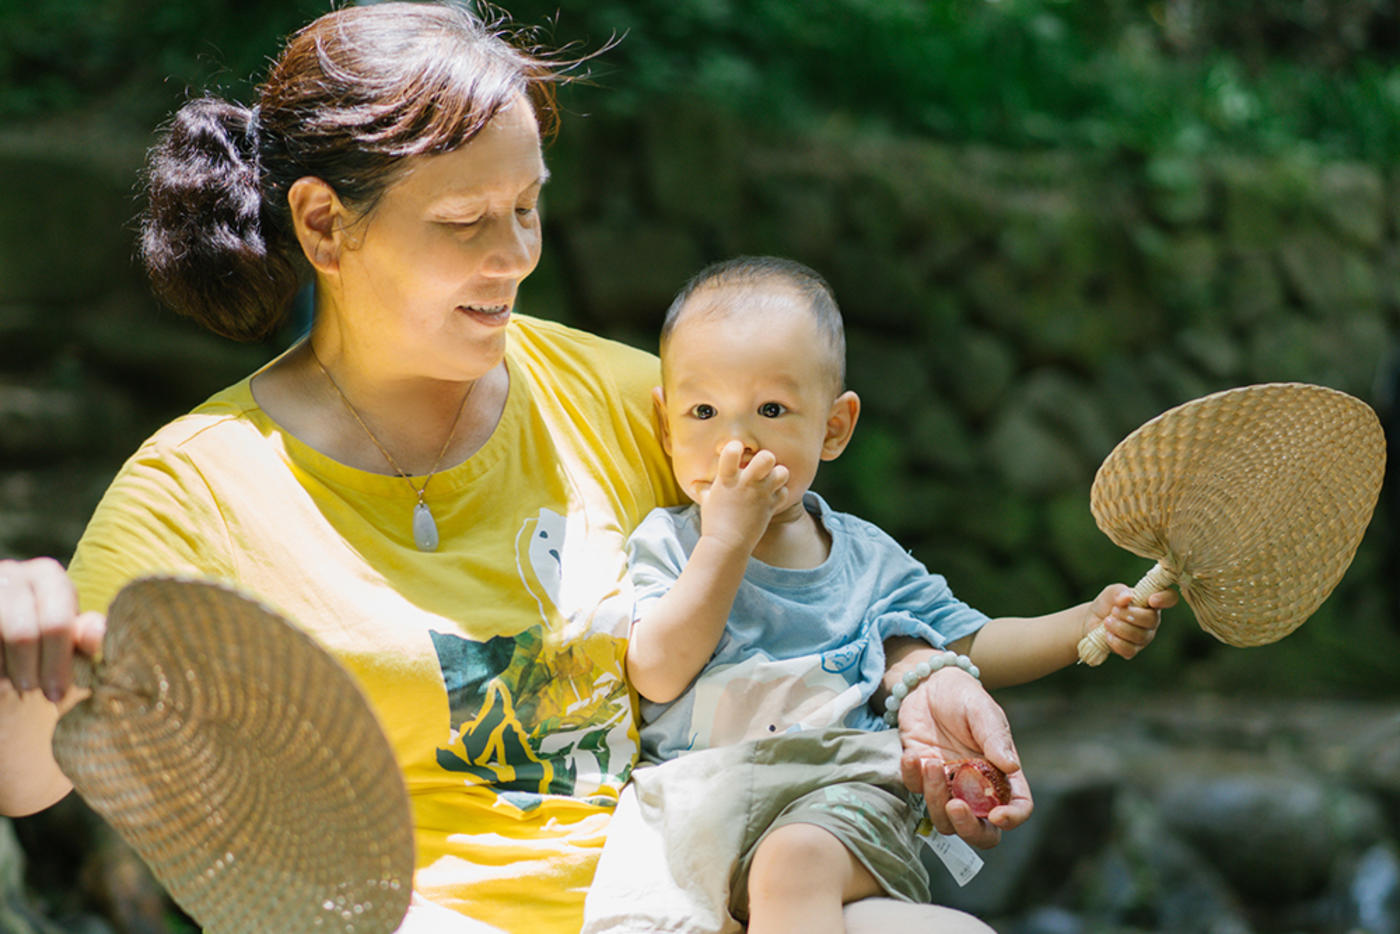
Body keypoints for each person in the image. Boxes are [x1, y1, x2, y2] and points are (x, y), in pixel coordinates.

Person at [0, 4, 1034, 931]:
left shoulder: (633, 402)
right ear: (323, 225)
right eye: (464, 222)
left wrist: (918, 672)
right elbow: (29, 777)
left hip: (688, 893)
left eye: (527, 207)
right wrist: (16, 651)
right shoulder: (197, 490)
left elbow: (811, 573)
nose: (515, 255)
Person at [581, 257, 1177, 934]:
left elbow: (972, 642)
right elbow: (656, 672)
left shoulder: (863, 559)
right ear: (666, 426)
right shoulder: (668, 542)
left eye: (771, 410)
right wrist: (723, 544)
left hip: (839, 804)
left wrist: (1082, 623)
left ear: (833, 427)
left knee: (794, 862)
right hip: (701, 815)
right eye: (703, 412)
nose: (735, 441)